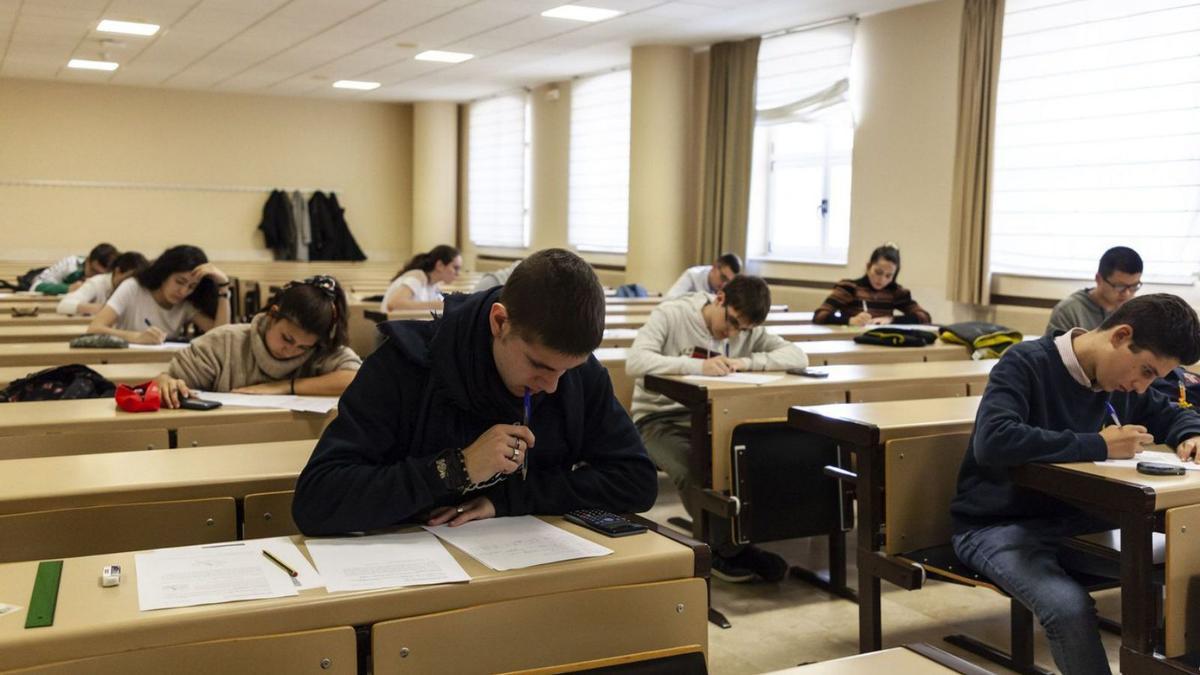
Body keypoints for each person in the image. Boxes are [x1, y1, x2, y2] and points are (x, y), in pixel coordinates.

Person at [292, 248, 658, 536]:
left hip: (526, 570)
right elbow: (317, 501)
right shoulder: (404, 365)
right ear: (499, 322)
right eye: (540, 366)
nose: (553, 386)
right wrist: (455, 469)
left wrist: (510, 498)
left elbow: (636, 482)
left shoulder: (577, 374)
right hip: (413, 580)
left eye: (568, 370)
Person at [950, 293, 1200, 675]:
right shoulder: (1025, 362)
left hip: (1082, 525)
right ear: (1120, 336)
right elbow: (993, 441)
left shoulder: (1124, 384)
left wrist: (1190, 433)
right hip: (998, 524)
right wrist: (1098, 444)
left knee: (1183, 568)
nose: (1141, 386)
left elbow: (1168, 414)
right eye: (1147, 371)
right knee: (1068, 607)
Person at [627, 274, 808, 582]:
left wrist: (746, 363)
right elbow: (636, 361)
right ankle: (724, 550)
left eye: (744, 329)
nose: (734, 333)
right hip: (657, 420)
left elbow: (798, 355)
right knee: (691, 466)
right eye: (733, 322)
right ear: (720, 298)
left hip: (713, 419)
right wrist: (697, 367)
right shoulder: (673, 314)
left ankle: (735, 541)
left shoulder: (747, 330)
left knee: (747, 459)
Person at [154, 276, 362, 408]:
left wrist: (285, 387)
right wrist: (166, 382)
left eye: (303, 347)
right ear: (272, 315)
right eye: (286, 338)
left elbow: (358, 379)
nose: (290, 351)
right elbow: (166, 381)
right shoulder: (224, 342)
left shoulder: (321, 350)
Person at [86, 245, 231, 344]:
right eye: (179, 281)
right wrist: (136, 337)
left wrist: (223, 287)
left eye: (192, 286)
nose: (183, 291)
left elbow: (220, 337)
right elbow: (94, 329)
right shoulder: (133, 287)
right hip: (127, 363)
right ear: (164, 273)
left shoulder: (186, 303)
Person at [812, 244, 931, 326]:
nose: (882, 279)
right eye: (878, 272)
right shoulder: (849, 288)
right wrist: (850, 320)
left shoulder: (895, 292)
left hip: (882, 344)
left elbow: (924, 316)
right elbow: (819, 315)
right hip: (850, 342)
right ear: (868, 267)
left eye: (888, 276)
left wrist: (891, 320)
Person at [1044, 246, 1143, 337]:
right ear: (1099, 279)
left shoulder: (1136, 310)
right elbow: (1053, 354)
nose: (1127, 293)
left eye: (1134, 286)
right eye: (1119, 286)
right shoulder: (1069, 310)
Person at [56, 251, 148, 316]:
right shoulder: (97, 282)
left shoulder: (139, 287)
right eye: (128, 279)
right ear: (117, 271)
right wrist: (104, 309)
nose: (131, 284)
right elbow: (63, 305)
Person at [381, 245, 462, 312]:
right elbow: (394, 304)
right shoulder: (417, 277)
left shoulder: (434, 284)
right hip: (392, 330)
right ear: (440, 265)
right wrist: (437, 305)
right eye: (455, 268)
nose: (458, 274)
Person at [31, 243, 118, 295]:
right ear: (87, 260)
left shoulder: (114, 276)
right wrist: (67, 288)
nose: (93, 277)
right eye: (93, 271)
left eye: (100, 275)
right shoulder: (70, 264)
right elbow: (35, 286)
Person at [665, 252, 742, 298]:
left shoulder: (729, 288)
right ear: (715, 266)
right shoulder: (692, 275)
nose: (724, 284)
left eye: (728, 282)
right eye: (723, 277)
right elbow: (669, 299)